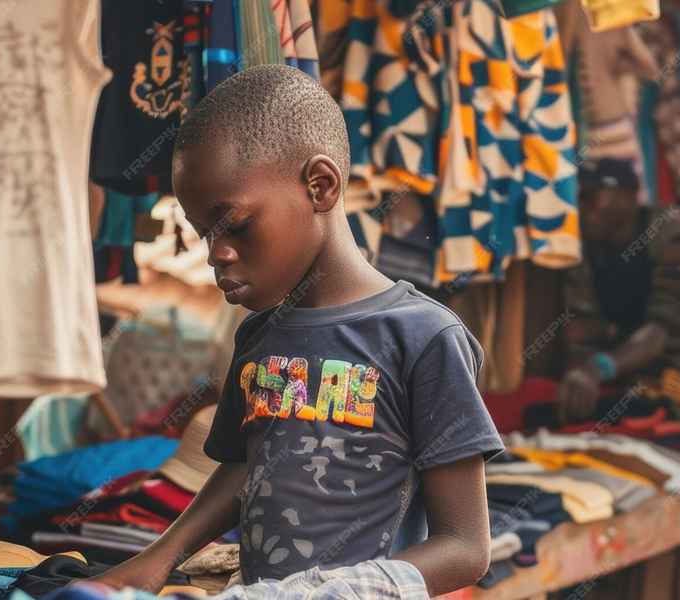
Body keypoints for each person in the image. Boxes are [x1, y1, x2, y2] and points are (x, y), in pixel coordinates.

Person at [90, 65, 504, 597]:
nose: (216, 254)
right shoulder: (259, 337)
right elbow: (247, 465)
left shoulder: (423, 338)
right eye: (203, 234)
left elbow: (467, 548)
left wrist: (321, 593)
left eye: (234, 225)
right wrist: (157, 559)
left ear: (320, 185)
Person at [559, 158, 680, 423]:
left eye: (590, 196)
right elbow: (582, 328)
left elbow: (661, 331)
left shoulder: (675, 230)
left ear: (628, 196)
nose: (582, 206)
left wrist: (597, 368)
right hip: (633, 380)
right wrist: (578, 376)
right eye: (578, 198)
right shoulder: (585, 245)